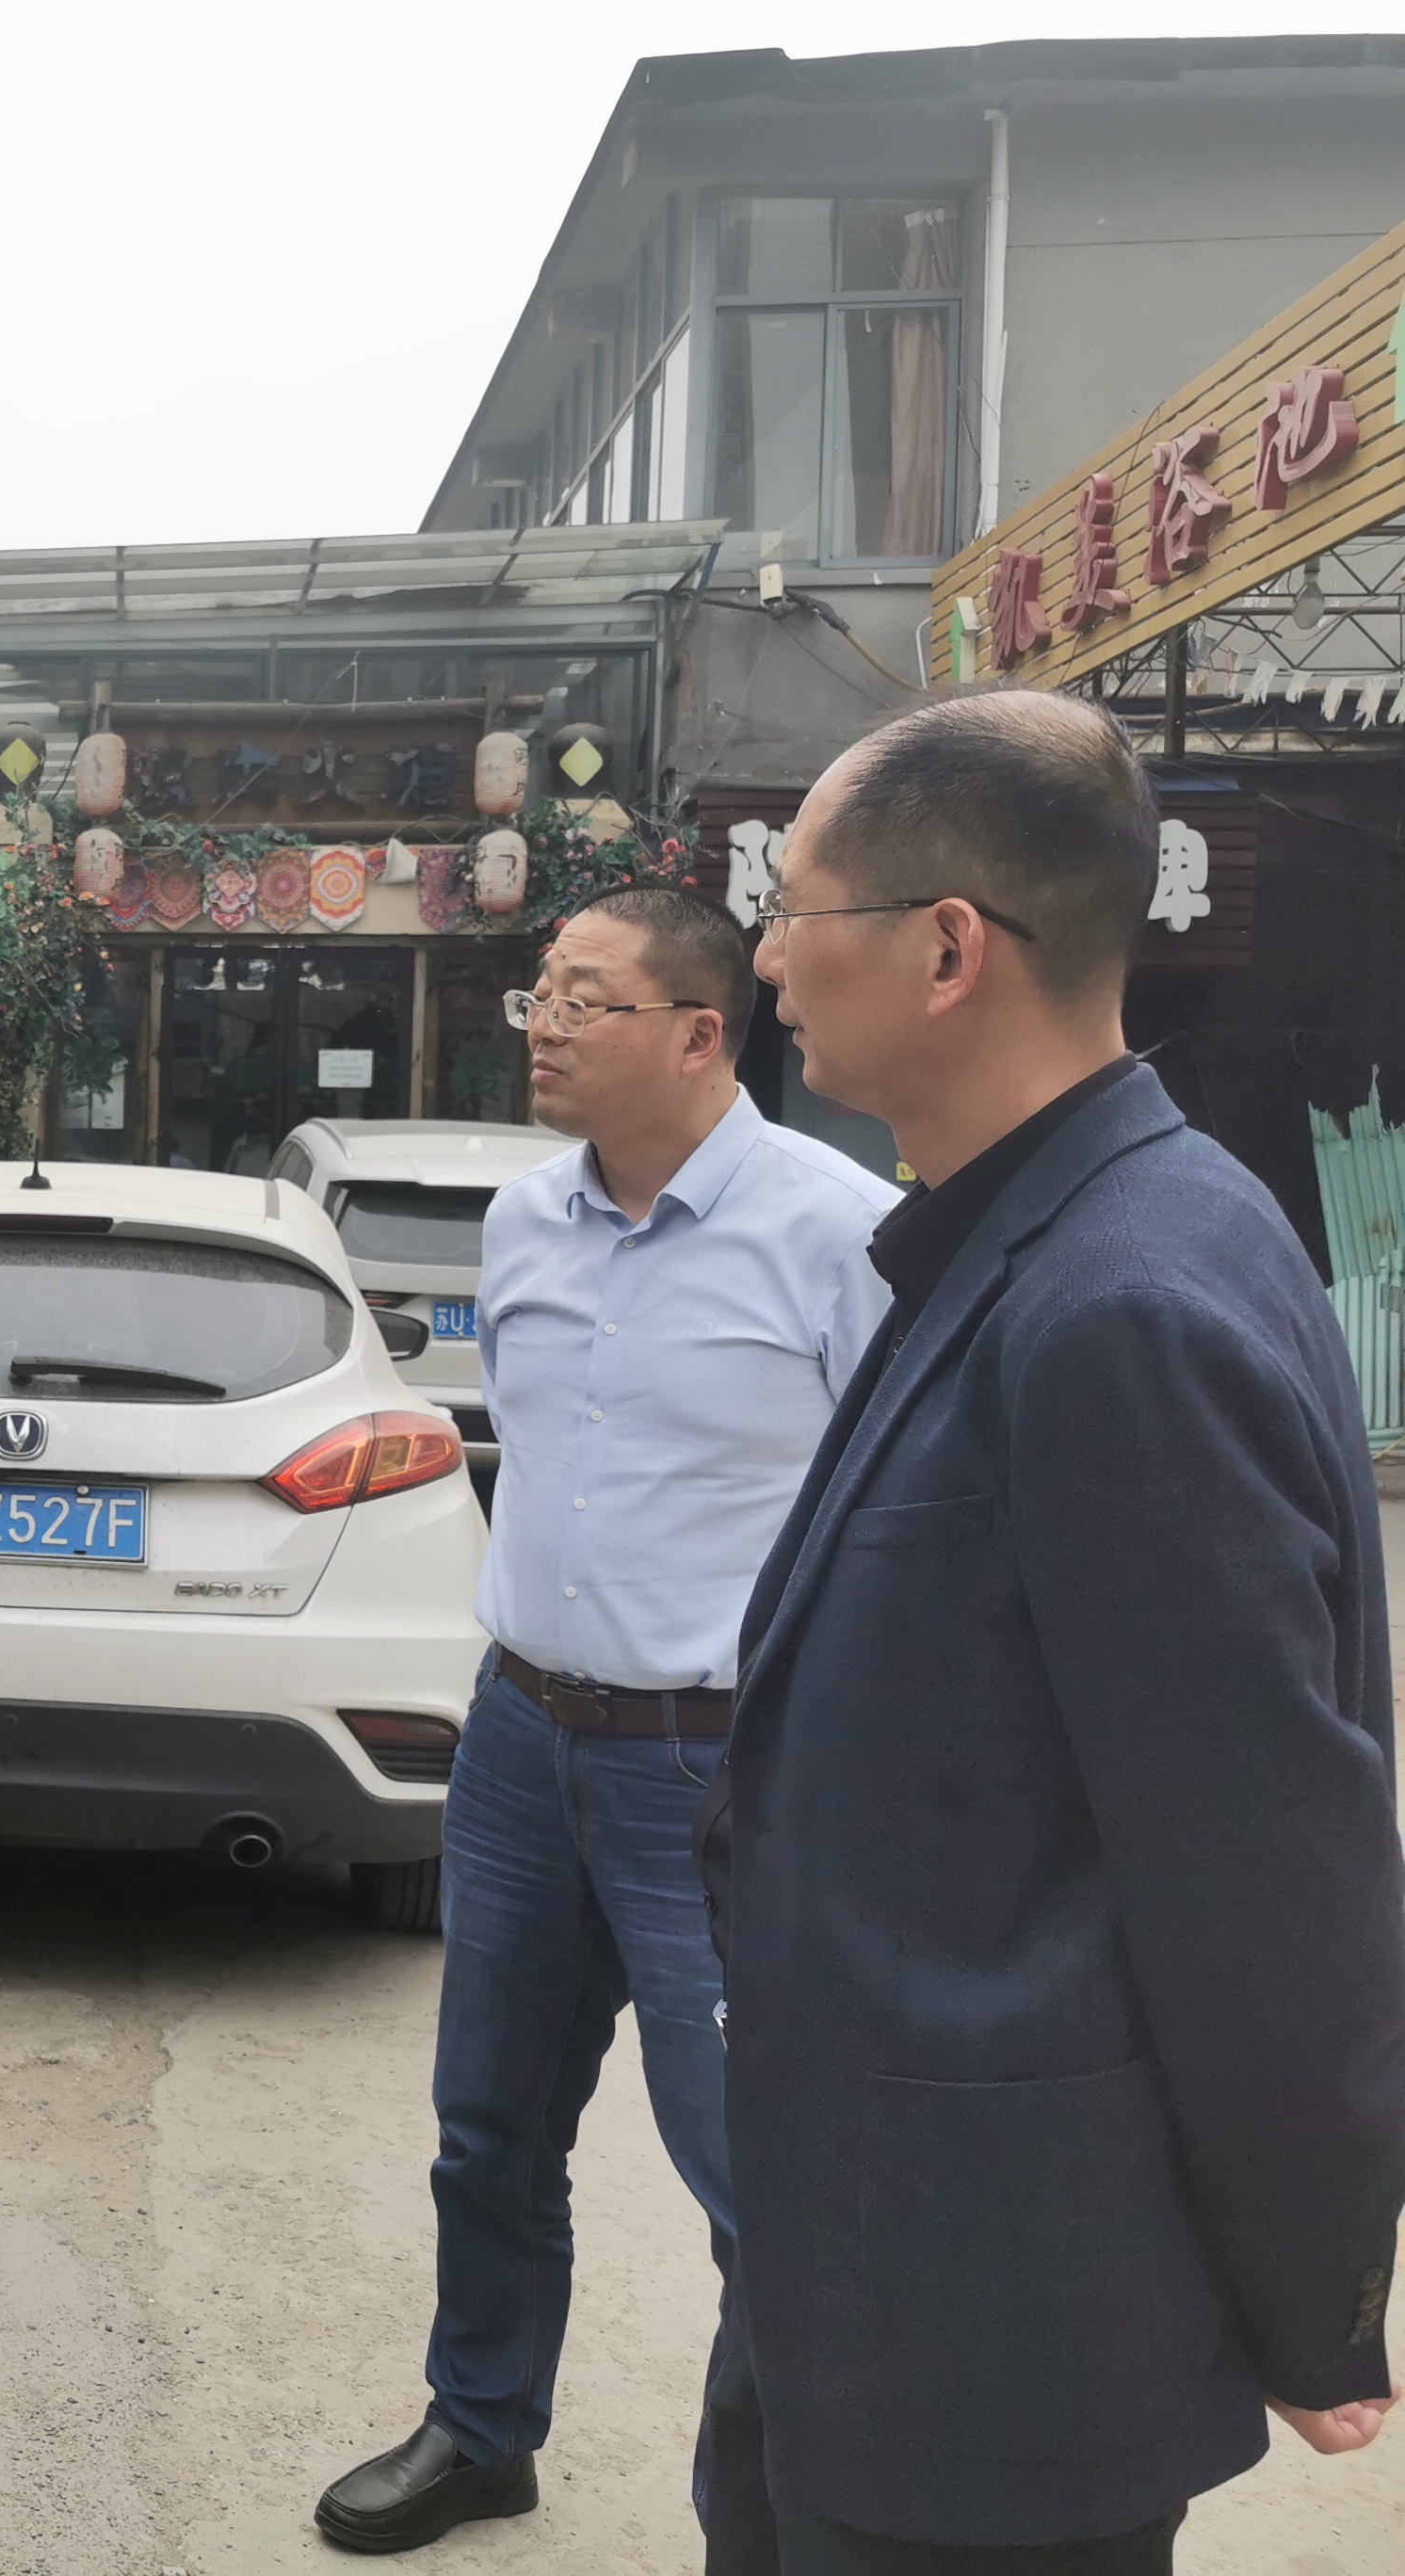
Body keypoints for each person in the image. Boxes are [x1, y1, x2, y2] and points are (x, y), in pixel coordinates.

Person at [707, 690, 1405, 2574]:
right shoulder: (1030, 1231)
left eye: (796, 906)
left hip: (989, 2353)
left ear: (949, 949)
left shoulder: (1122, 1304)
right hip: (862, 2264)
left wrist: (1315, 2292)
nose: (765, 954)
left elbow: (1264, 1869)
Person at [317, 887, 896, 2554]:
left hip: (715, 1768)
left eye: (587, 999)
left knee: (751, 2168)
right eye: (542, 997)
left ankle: (789, 2508)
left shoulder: (843, 1233)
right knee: (490, 2125)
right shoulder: (524, 1221)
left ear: (703, 1035)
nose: (547, 1028)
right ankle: (481, 2427)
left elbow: (899, 1507)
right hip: (519, 1741)